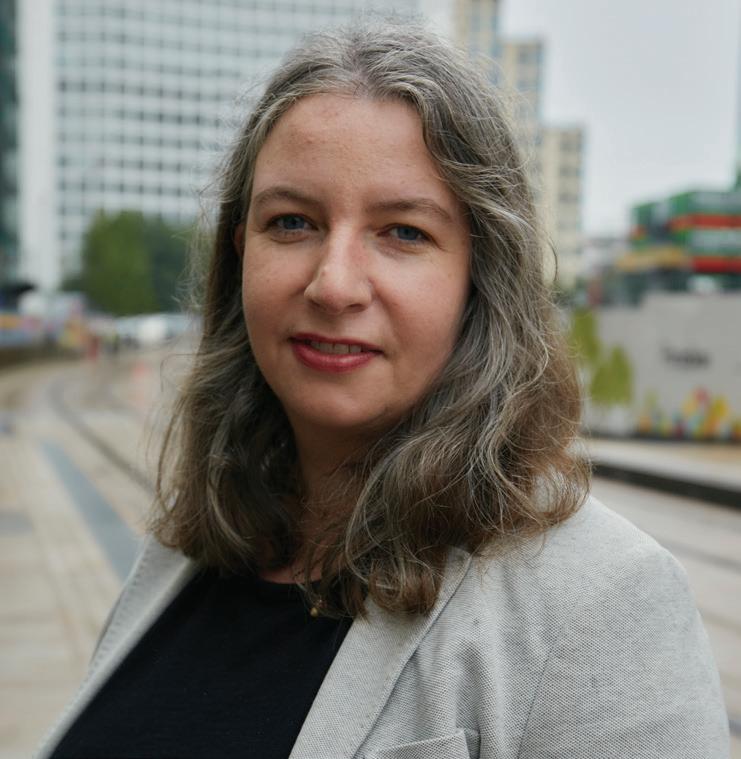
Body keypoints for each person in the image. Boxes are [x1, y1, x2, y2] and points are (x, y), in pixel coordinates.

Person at [37, 21, 729, 759]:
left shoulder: (603, 605)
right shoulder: (187, 553)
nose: (333, 284)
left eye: (402, 232)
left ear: (479, 276)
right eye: (292, 222)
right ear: (240, 254)